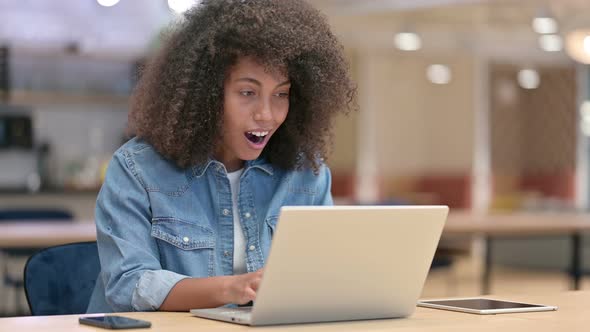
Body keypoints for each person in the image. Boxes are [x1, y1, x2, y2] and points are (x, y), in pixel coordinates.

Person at [87, 0, 356, 313]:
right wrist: (234, 288)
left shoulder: (306, 173)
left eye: (281, 94)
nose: (266, 115)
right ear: (207, 93)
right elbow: (128, 284)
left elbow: (322, 276)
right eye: (247, 92)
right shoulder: (137, 169)